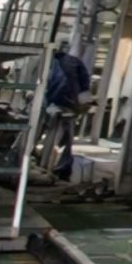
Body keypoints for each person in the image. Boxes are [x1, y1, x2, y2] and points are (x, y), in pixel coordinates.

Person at [43, 40, 92, 180]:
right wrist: (81, 103)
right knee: (65, 136)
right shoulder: (74, 62)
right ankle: (60, 168)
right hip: (67, 104)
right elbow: (85, 84)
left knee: (42, 133)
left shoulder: (45, 61)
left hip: (49, 103)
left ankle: (40, 162)